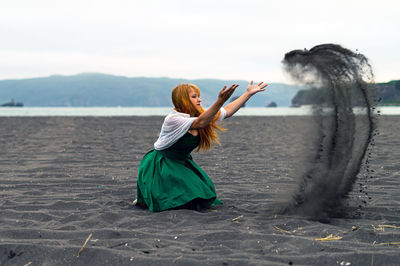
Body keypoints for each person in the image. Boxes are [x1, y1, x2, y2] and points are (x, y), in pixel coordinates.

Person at [135, 81, 268, 212]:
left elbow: (226, 111)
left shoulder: (200, 115)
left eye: (198, 96)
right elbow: (201, 122)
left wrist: (248, 94)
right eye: (194, 97)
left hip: (182, 162)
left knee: (204, 192)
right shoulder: (173, 119)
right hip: (161, 164)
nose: (199, 99)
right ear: (182, 100)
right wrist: (220, 100)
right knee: (180, 199)